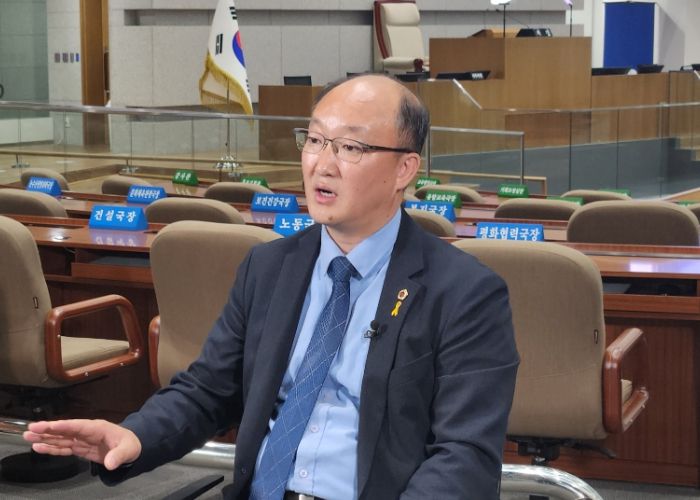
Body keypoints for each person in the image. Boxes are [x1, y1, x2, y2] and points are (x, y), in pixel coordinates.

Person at [24, 74, 519, 499]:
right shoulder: (269, 267)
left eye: (350, 147)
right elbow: (208, 390)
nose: (322, 164)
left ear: (404, 169)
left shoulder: (465, 293)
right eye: (315, 140)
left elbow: (465, 457)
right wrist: (134, 436)